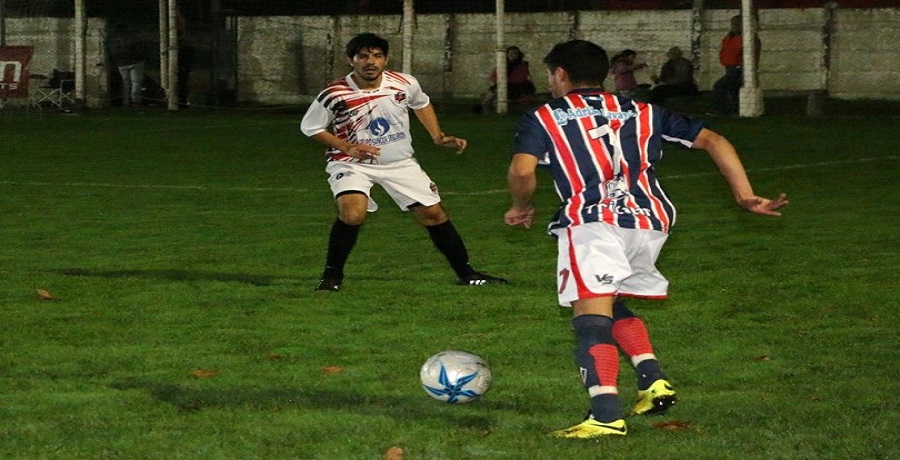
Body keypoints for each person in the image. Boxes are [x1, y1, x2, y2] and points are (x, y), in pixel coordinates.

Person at [504, 39, 788, 439]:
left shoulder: (546, 116)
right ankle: (652, 380)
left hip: (594, 223)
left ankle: (604, 416)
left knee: (590, 320)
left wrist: (520, 206)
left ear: (561, 75)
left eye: (551, 75)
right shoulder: (642, 110)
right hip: (650, 222)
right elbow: (714, 139)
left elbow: (521, 171)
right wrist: (743, 194)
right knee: (610, 300)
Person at [300, 32, 509, 292]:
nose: (370, 62)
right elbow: (310, 126)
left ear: (386, 59)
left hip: (399, 163)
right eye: (363, 56)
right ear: (350, 61)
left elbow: (421, 103)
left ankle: (467, 273)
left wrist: (438, 135)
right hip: (352, 163)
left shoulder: (403, 83)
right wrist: (346, 147)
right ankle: (331, 277)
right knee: (352, 213)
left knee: (434, 215)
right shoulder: (335, 92)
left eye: (377, 56)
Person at [712, 15, 761, 115]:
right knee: (731, 89)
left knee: (722, 86)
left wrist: (744, 69)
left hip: (739, 68)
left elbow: (751, 55)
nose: (734, 26)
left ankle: (725, 110)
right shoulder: (730, 37)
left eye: (737, 24)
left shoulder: (749, 39)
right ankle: (730, 110)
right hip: (730, 67)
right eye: (733, 23)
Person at [476, 45, 536, 113]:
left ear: (519, 55)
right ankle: (485, 104)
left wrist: (504, 82)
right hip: (505, 84)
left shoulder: (522, 64)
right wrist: (499, 82)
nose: (513, 55)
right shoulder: (503, 64)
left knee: (499, 89)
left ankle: (486, 105)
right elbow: (493, 76)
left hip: (518, 86)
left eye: (515, 53)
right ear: (507, 55)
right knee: (494, 88)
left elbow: (521, 77)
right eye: (511, 53)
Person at [106, 24, 146, 107]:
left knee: (125, 83)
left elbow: (112, 52)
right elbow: (141, 48)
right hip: (135, 62)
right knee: (136, 82)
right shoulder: (133, 37)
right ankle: (135, 101)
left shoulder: (114, 39)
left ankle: (126, 102)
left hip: (121, 64)